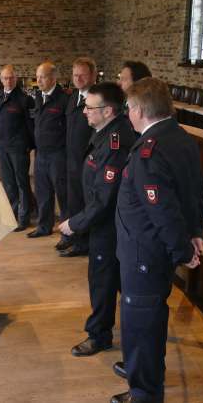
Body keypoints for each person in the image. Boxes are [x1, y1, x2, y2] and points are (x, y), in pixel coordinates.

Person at [111, 77, 203, 403]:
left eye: (129, 107)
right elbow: (197, 192)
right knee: (149, 319)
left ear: (139, 110)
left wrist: (184, 250)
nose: (128, 113)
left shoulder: (148, 152)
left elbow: (163, 211)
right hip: (156, 250)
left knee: (141, 323)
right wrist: (196, 233)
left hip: (145, 254)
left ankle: (144, 393)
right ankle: (144, 370)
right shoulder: (180, 137)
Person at [59, 82, 135, 356]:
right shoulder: (104, 132)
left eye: (90, 108)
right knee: (111, 281)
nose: (84, 112)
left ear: (108, 111)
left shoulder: (116, 143)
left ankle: (99, 335)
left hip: (108, 226)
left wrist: (75, 224)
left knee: (102, 281)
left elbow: (105, 198)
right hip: (102, 222)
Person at [58, 57, 97, 257]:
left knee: (84, 204)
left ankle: (83, 244)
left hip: (87, 161)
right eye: (75, 75)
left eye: (82, 75)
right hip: (70, 160)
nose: (78, 78)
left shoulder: (97, 100)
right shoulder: (73, 97)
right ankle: (71, 237)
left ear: (93, 75)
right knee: (71, 201)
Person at [27, 62, 69, 239]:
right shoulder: (38, 97)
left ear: (53, 78)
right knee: (42, 192)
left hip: (58, 154)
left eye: (42, 77)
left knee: (63, 194)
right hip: (41, 153)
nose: (38, 80)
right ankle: (44, 226)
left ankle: (67, 233)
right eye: (37, 77)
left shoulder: (64, 99)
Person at [0, 65, 35, 232]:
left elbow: (31, 125)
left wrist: (30, 146)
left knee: (21, 183)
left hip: (18, 148)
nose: (8, 81)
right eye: (5, 78)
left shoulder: (25, 99)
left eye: (11, 77)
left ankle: (23, 218)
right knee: (9, 183)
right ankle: (12, 216)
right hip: (2, 147)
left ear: (16, 79)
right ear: (1, 79)